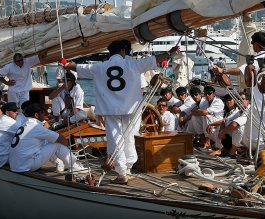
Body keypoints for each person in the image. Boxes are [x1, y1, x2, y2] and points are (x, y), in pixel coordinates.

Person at [62, 39, 177, 184]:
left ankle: (122, 173)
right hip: (131, 109)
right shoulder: (134, 64)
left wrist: (64, 61)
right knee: (129, 138)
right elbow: (155, 59)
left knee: (116, 140)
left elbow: (75, 67)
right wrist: (169, 53)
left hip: (111, 110)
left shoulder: (99, 67)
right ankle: (127, 169)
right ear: (123, 51)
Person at [213, 31, 265, 150]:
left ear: (256, 44)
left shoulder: (257, 59)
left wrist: (223, 71)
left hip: (259, 105)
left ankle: (261, 157)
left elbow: (240, 70)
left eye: (252, 43)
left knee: (249, 138)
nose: (251, 45)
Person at [9, 103, 86, 173]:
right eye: (42, 112)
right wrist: (66, 142)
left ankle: (61, 163)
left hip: (15, 165)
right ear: (36, 115)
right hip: (25, 165)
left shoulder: (25, 124)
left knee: (47, 142)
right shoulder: (36, 127)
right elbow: (63, 141)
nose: (45, 115)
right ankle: (74, 166)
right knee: (57, 145)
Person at [0, 102, 21, 170]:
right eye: (14, 111)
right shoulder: (11, 122)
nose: (17, 113)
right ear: (7, 113)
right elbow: (26, 135)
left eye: (17, 111)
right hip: (1, 159)